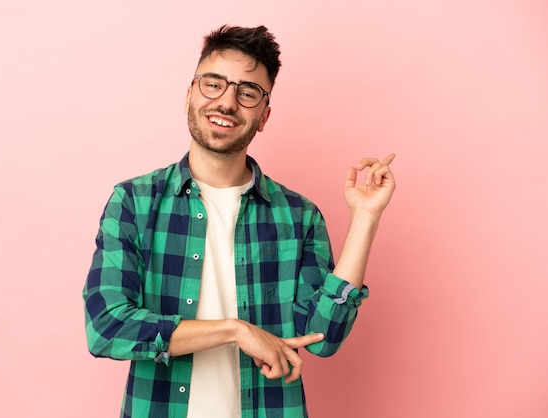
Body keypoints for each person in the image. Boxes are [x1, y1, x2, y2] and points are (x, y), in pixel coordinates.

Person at [83, 24, 396, 418]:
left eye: (247, 92)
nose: (227, 102)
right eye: (213, 84)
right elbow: (106, 326)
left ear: (263, 116)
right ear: (189, 95)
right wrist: (235, 330)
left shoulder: (299, 216)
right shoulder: (134, 203)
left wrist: (366, 217)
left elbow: (324, 336)